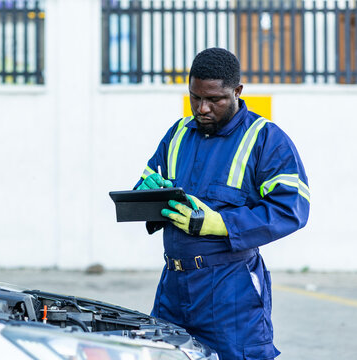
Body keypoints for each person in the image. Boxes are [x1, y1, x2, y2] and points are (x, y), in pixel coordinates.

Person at [134, 48, 309, 359]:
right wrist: (147, 193)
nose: (202, 108)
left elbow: (291, 207)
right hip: (172, 289)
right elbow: (144, 190)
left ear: (237, 92)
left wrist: (222, 224)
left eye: (215, 100)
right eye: (195, 97)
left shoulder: (264, 139)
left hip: (231, 295)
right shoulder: (176, 135)